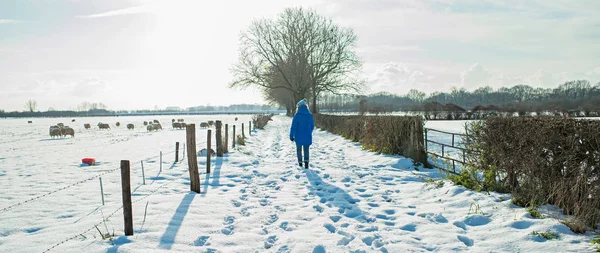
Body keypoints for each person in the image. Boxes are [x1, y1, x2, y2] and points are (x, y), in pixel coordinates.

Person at [290, 99, 315, 168]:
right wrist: (309, 132)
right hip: (307, 135)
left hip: (298, 136)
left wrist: (291, 136)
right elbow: (312, 126)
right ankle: (306, 163)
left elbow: (293, 126)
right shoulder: (309, 115)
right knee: (306, 150)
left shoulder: (297, 115)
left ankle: (300, 163)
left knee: (299, 150)